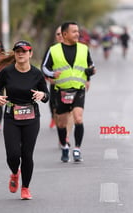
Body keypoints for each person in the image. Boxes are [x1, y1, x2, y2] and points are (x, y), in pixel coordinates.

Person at [0, 41, 49, 200]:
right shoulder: (7, 72)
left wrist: (42, 95)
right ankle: (15, 173)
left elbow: (46, 95)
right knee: (13, 154)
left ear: (30, 54)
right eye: (17, 51)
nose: (21, 54)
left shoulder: (36, 74)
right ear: (15, 54)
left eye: (24, 51)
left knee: (27, 154)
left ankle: (25, 188)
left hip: (31, 118)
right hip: (11, 117)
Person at [41, 21, 96, 163]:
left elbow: (91, 65)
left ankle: (77, 149)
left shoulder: (84, 49)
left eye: (78, 31)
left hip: (79, 89)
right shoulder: (54, 50)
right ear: (65, 34)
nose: (77, 34)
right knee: (61, 123)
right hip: (61, 90)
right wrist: (53, 75)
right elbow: (44, 68)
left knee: (78, 118)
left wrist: (90, 71)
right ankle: (65, 146)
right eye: (74, 31)